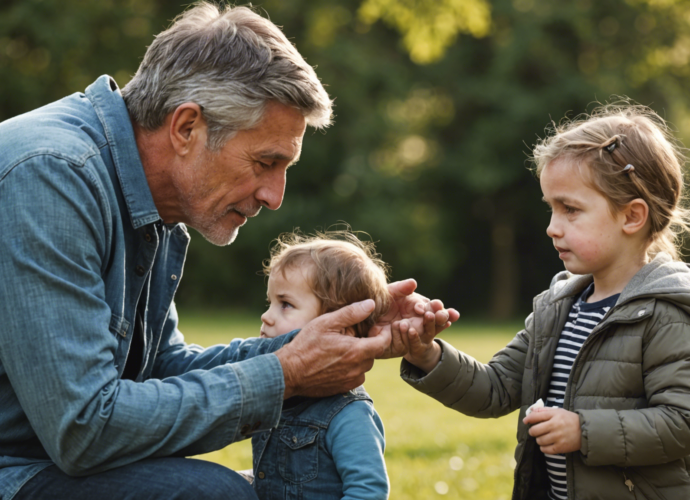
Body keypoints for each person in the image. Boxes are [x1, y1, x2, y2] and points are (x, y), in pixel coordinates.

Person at [0, 3, 458, 499]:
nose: (274, 196)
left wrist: (336, 334)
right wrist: (289, 372)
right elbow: (83, 428)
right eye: (265, 162)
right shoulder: (50, 176)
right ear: (186, 128)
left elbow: (158, 369)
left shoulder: (155, 203)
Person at [398, 103, 690, 499]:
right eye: (551, 209)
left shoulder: (666, 312)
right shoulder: (558, 308)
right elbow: (495, 387)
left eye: (570, 209)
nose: (552, 228)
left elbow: (680, 422)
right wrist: (428, 355)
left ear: (632, 216)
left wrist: (582, 430)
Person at [253, 230, 391, 500]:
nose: (265, 316)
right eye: (270, 303)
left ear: (340, 328)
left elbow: (368, 491)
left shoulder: (348, 415)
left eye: (285, 304)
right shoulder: (279, 396)